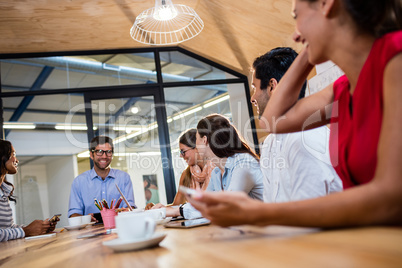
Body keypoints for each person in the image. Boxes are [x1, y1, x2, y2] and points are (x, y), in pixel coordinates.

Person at [189, 0, 402, 227]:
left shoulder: (395, 58)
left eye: (296, 16)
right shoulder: (342, 88)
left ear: (326, 4)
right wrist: (310, 47)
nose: (295, 35)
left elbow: (391, 198)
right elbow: (272, 121)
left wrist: (259, 214)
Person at [251, 47, 342, 203]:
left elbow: (312, 214)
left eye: (255, 88)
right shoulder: (269, 143)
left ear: (272, 86)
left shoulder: (305, 138)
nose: (253, 98)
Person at [165, 114, 264, 219]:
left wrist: (172, 211)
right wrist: (164, 212)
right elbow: (204, 205)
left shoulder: (243, 164)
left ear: (204, 140)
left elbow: (227, 205)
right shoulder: (217, 172)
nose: (196, 144)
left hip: (268, 230)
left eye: (197, 139)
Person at [0, 139, 58, 242]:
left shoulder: (3, 191)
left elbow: (8, 228)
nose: (16, 160)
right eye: (13, 154)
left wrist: (39, 228)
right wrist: (26, 231)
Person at [68, 136, 135, 220]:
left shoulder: (124, 178)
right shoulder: (79, 181)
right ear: (91, 155)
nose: (104, 156)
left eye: (108, 152)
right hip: (90, 231)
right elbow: (73, 215)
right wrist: (86, 219)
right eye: (99, 152)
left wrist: (128, 210)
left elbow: (130, 207)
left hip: (119, 228)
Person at [146, 128, 213, 210]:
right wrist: (157, 208)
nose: (181, 156)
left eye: (183, 151)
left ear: (196, 148)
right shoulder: (186, 175)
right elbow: (176, 205)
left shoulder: (216, 169)